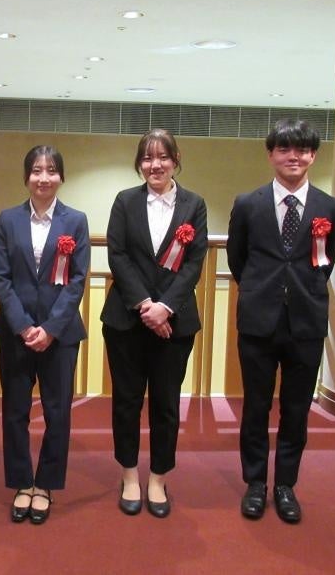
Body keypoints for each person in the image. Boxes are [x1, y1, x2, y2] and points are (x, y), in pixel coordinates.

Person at [227, 118, 335, 524]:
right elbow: (238, 260)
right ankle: (256, 483)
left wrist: (302, 290)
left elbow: (328, 258)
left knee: (296, 410)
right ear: (271, 154)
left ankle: (285, 486)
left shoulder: (330, 207)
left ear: (313, 155)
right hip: (258, 321)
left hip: (306, 322)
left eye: (302, 149)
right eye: (284, 149)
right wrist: (264, 289)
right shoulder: (248, 204)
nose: (293, 156)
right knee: (255, 407)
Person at [101, 128, 208, 518]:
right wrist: (147, 306)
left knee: (166, 404)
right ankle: (129, 475)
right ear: (139, 163)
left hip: (174, 324)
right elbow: (117, 254)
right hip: (126, 321)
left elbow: (194, 262)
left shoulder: (194, 204)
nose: (155, 165)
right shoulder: (125, 201)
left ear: (176, 160)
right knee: (127, 401)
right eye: (147, 158)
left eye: (163, 157)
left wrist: (166, 307)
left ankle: (158, 478)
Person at [0, 145, 90, 525]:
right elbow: (1, 278)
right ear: (26, 176)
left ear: (61, 176)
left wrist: (50, 328)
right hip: (14, 332)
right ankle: (21, 482)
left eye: (51, 170)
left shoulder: (76, 220)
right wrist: (22, 325)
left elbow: (78, 280)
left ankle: (46, 483)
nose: (43, 177)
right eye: (36, 170)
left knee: (57, 411)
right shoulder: (8, 219)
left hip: (60, 335)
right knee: (15, 411)